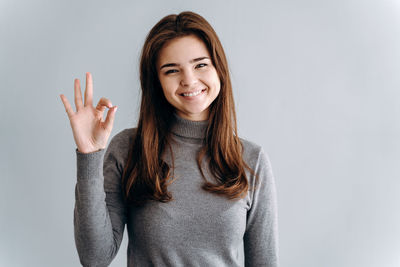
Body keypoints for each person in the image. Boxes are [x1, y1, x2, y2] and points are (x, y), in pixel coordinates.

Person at [60, 11, 279, 267]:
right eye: (172, 70)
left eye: (200, 64)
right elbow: (94, 257)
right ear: (157, 82)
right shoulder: (129, 149)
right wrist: (89, 155)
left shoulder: (252, 160)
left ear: (219, 69)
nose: (189, 80)